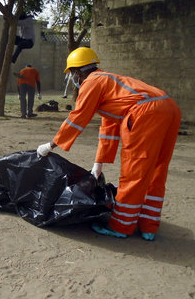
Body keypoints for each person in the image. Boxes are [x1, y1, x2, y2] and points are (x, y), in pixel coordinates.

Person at [36, 47, 181, 241]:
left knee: (134, 172)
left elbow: (77, 118)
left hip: (146, 113)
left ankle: (121, 226)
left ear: (78, 72)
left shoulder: (92, 82)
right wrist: (98, 165)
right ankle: (149, 226)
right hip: (169, 107)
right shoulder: (109, 84)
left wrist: (51, 145)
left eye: (72, 74)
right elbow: (108, 129)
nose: (73, 78)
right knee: (157, 168)